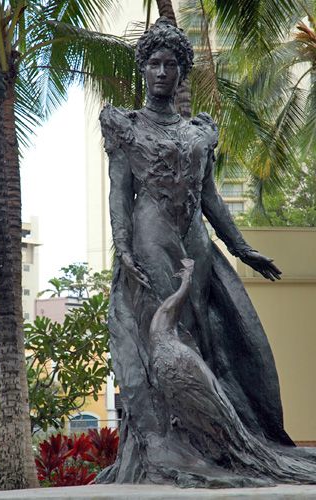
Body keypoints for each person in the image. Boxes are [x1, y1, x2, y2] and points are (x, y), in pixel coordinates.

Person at [99, 17, 316, 487]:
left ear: (181, 72)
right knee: (171, 340)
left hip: (195, 240)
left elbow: (211, 198)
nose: (161, 72)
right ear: (143, 69)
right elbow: (119, 193)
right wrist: (121, 245)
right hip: (150, 237)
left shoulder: (198, 132)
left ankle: (221, 440)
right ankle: (173, 444)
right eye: (153, 63)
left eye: (170, 64)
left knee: (214, 336)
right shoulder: (127, 127)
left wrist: (241, 247)